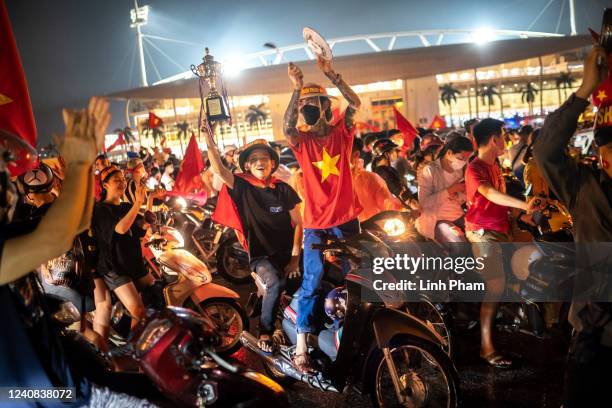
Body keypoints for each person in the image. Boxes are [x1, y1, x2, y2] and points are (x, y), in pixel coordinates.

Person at [0, 98, 111, 405]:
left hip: (58, 384)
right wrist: (76, 163)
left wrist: (86, 163)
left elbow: (76, 224)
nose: (6, 186)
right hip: (26, 396)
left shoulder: (8, 233)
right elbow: (55, 239)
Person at [533, 45, 612, 407]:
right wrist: (585, 89)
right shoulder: (585, 186)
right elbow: (547, 151)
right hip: (593, 333)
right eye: (607, 147)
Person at [283, 56, 362, 372]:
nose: (311, 110)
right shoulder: (301, 142)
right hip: (315, 225)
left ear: (328, 108)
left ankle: (350, 335)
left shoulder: (342, 132)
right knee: (312, 279)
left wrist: (332, 74)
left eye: (318, 105)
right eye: (306, 106)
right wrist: (297, 89)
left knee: (356, 277)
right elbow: (287, 125)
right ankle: (300, 347)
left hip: (347, 221)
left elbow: (355, 102)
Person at [205, 129, 302, 353]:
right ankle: (265, 331)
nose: (260, 162)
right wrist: (208, 137)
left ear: (272, 163)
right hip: (261, 257)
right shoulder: (241, 187)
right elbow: (219, 168)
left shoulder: (283, 188)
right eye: (254, 159)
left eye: (264, 159)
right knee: (276, 282)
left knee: (321, 282)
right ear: (247, 165)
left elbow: (298, 223)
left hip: (289, 254)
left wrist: (295, 259)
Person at [465, 118, 542, 368]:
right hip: (483, 233)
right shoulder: (475, 168)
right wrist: (523, 205)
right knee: (495, 285)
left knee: (539, 249)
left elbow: (502, 201)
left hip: (504, 227)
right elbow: (490, 194)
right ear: (493, 139)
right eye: (503, 135)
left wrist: (523, 215)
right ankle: (486, 348)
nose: (507, 140)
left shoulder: (495, 164)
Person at [91, 164, 153, 341]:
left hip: (133, 263)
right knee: (138, 311)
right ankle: (135, 351)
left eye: (123, 180)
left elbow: (140, 227)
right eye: (116, 180)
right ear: (105, 185)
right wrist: (138, 203)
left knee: (156, 294)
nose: (122, 183)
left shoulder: (126, 206)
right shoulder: (100, 209)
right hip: (114, 267)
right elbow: (120, 229)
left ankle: (137, 343)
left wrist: (148, 208)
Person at [416, 136, 473, 245]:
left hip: (458, 214)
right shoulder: (430, 170)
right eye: (461, 158)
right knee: (459, 245)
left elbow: (467, 195)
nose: (464, 162)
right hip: (436, 219)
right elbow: (424, 202)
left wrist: (458, 195)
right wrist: (449, 191)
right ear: (449, 153)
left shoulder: (462, 170)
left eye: (467, 159)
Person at [350, 138, 404, 222]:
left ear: (356, 155)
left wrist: (402, 209)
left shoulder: (369, 178)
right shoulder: (327, 180)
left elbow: (387, 202)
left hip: (371, 230)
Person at [371, 138, 419, 209]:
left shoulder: (386, 169)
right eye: (394, 151)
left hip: (395, 209)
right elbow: (398, 190)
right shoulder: (383, 172)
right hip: (394, 210)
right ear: (386, 154)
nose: (397, 153)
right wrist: (412, 204)